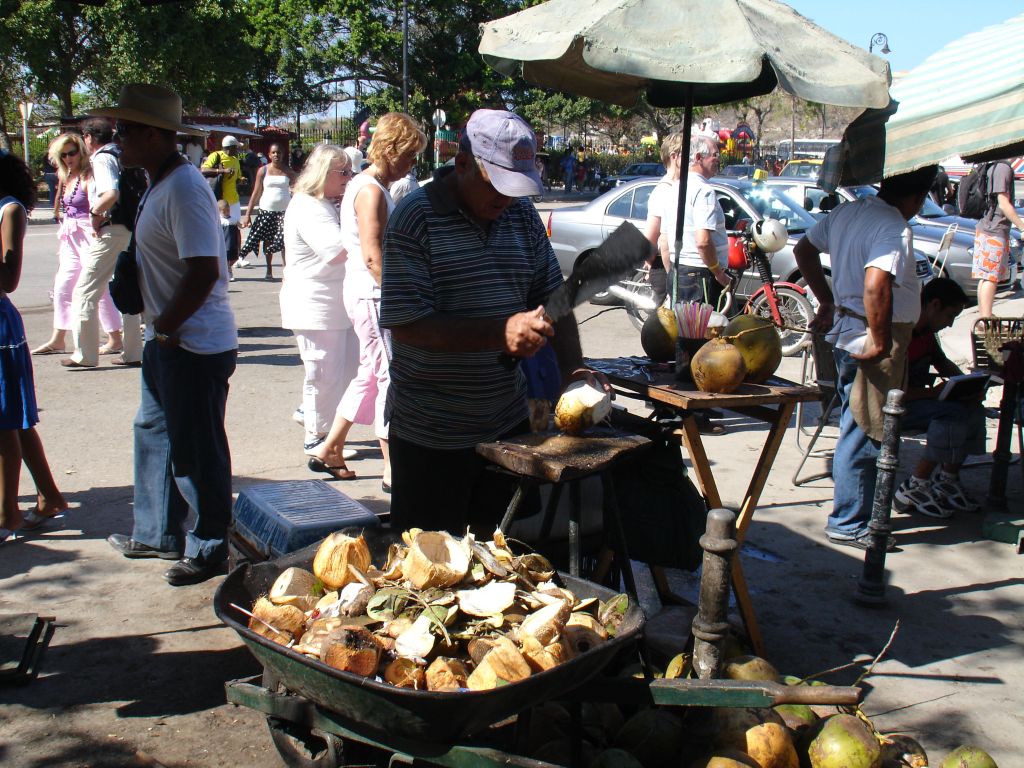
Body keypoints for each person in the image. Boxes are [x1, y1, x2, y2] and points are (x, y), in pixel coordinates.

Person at [379, 109, 603, 534]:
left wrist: (573, 371)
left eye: (515, 188)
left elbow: (554, 301)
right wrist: (499, 334)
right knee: (429, 575)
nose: (505, 199)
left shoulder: (520, 216)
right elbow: (408, 324)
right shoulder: (414, 219)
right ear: (462, 162)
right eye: (495, 185)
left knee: (503, 564)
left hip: (505, 428)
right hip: (432, 435)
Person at [96, 84, 238, 586]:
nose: (118, 139)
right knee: (154, 433)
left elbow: (204, 271)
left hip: (191, 343)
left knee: (196, 451)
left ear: (156, 135)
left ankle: (209, 547)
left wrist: (168, 327)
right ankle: (157, 533)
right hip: (170, 339)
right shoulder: (160, 181)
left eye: (126, 130)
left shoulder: (182, 188)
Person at [794, 164, 938, 550]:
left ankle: (857, 512)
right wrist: (878, 339)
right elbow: (876, 284)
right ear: (915, 197)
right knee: (865, 429)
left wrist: (827, 300)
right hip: (871, 334)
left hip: (850, 328)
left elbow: (804, 250)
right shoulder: (893, 226)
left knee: (856, 424)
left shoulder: (849, 212)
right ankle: (850, 521)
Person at [308, 113, 426, 489]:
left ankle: (329, 447)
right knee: (391, 377)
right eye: (408, 155)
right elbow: (374, 258)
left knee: (370, 375)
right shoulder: (371, 190)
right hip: (375, 296)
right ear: (390, 150)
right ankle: (393, 468)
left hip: (366, 294)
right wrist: (404, 299)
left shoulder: (367, 185)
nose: (411, 164)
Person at [0, 150, 69, 545]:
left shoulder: (9, 210)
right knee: (15, 422)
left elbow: (9, 279)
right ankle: (50, 496)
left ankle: (7, 512)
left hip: (1, 327)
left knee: (6, 422)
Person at [279, 145, 359, 461]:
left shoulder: (320, 204)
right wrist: (370, 234)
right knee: (323, 373)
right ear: (323, 173)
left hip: (329, 304)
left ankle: (310, 416)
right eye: (344, 173)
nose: (349, 178)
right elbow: (338, 251)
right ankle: (317, 439)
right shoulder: (309, 206)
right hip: (316, 304)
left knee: (342, 372)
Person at [892, 277, 984, 519]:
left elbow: (942, 363)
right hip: (894, 407)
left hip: (919, 401)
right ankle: (916, 483)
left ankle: (948, 478)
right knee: (952, 413)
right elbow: (892, 392)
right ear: (934, 305)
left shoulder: (927, 335)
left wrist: (967, 385)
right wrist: (933, 393)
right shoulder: (903, 333)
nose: (951, 324)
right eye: (950, 315)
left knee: (971, 407)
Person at [33, 132, 125, 360]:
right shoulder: (67, 175)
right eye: (63, 154)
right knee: (63, 286)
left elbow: (105, 197)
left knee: (97, 288)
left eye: (71, 153)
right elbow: (62, 199)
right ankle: (58, 339)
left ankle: (115, 338)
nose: (67, 158)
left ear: (81, 152)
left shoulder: (89, 173)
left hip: (88, 232)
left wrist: (96, 218)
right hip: (69, 235)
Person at [61, 118, 144, 369]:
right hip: (132, 228)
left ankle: (84, 354)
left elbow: (110, 192)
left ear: (88, 137)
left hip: (113, 228)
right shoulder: (122, 153)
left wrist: (95, 215)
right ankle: (132, 352)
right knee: (125, 287)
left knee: (84, 291)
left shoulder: (102, 157)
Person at [660, 135, 729, 309]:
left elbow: (664, 241)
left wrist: (673, 276)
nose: (718, 159)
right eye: (714, 154)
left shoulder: (674, 188)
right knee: (705, 333)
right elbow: (703, 242)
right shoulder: (704, 191)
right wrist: (718, 273)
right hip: (701, 276)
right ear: (698, 158)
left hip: (680, 272)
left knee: (683, 331)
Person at [971, 159, 1024, 318]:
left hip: (986, 228)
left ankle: (984, 316)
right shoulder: (1003, 168)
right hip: (994, 230)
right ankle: (985, 319)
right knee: (990, 278)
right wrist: (1022, 226)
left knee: (985, 277)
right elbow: (1003, 203)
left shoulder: (992, 166)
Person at [240, 143, 295, 280]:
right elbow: (256, 193)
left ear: (282, 155)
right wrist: (247, 214)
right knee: (268, 241)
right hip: (267, 211)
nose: (276, 155)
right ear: (269, 155)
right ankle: (269, 269)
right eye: (274, 153)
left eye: (279, 153)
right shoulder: (263, 171)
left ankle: (286, 270)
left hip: (284, 212)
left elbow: (297, 189)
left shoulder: (288, 171)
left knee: (284, 241)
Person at [202, 135, 242, 266]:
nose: (238, 150)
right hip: (220, 201)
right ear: (230, 148)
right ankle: (220, 257)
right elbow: (203, 169)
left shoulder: (236, 160)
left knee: (235, 228)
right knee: (219, 230)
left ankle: (236, 256)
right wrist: (222, 170)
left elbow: (237, 177)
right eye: (236, 148)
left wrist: (241, 180)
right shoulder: (216, 155)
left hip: (233, 200)